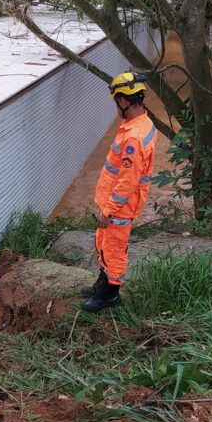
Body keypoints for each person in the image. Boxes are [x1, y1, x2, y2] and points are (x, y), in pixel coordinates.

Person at [81, 71, 158, 313]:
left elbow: (128, 179)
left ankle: (110, 295)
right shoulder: (142, 124)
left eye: (116, 100)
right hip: (115, 202)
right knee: (104, 243)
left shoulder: (133, 137)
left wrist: (110, 211)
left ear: (124, 101)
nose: (116, 106)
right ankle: (102, 284)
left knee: (113, 247)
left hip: (120, 206)